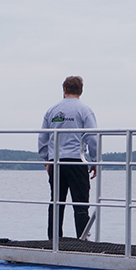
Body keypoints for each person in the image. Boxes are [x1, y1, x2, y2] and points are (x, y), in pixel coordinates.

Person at [38, 75, 99, 240]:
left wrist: (47, 159)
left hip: (57, 161)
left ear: (64, 90)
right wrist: (95, 161)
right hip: (76, 160)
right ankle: (82, 240)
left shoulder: (51, 111)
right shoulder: (85, 111)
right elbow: (93, 138)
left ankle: (54, 239)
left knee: (56, 202)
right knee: (80, 204)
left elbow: (42, 138)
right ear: (81, 91)